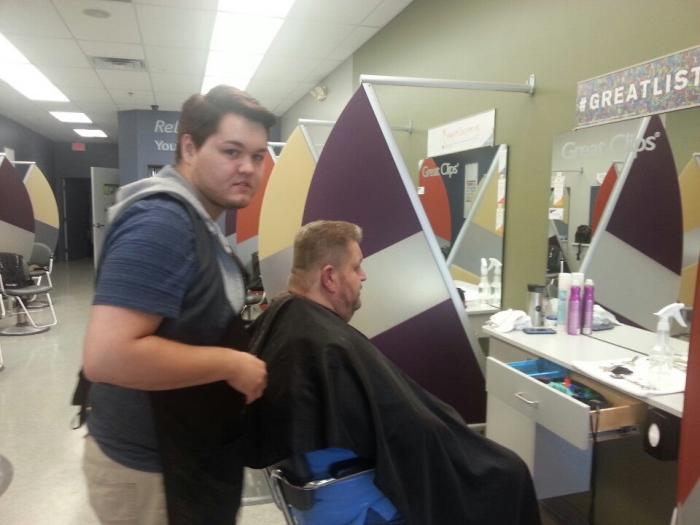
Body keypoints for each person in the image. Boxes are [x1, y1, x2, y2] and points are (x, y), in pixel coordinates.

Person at [244, 220, 542, 525]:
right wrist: (443, 429)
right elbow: (407, 431)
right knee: (508, 475)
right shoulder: (323, 344)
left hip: (318, 493)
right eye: (356, 267)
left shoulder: (287, 320)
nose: (364, 275)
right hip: (351, 493)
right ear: (330, 277)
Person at [79, 85, 275, 525]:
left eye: (258, 156)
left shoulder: (199, 221)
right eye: (231, 151)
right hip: (150, 471)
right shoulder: (163, 223)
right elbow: (107, 356)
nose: (248, 168)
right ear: (189, 147)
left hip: (183, 451)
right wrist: (231, 364)